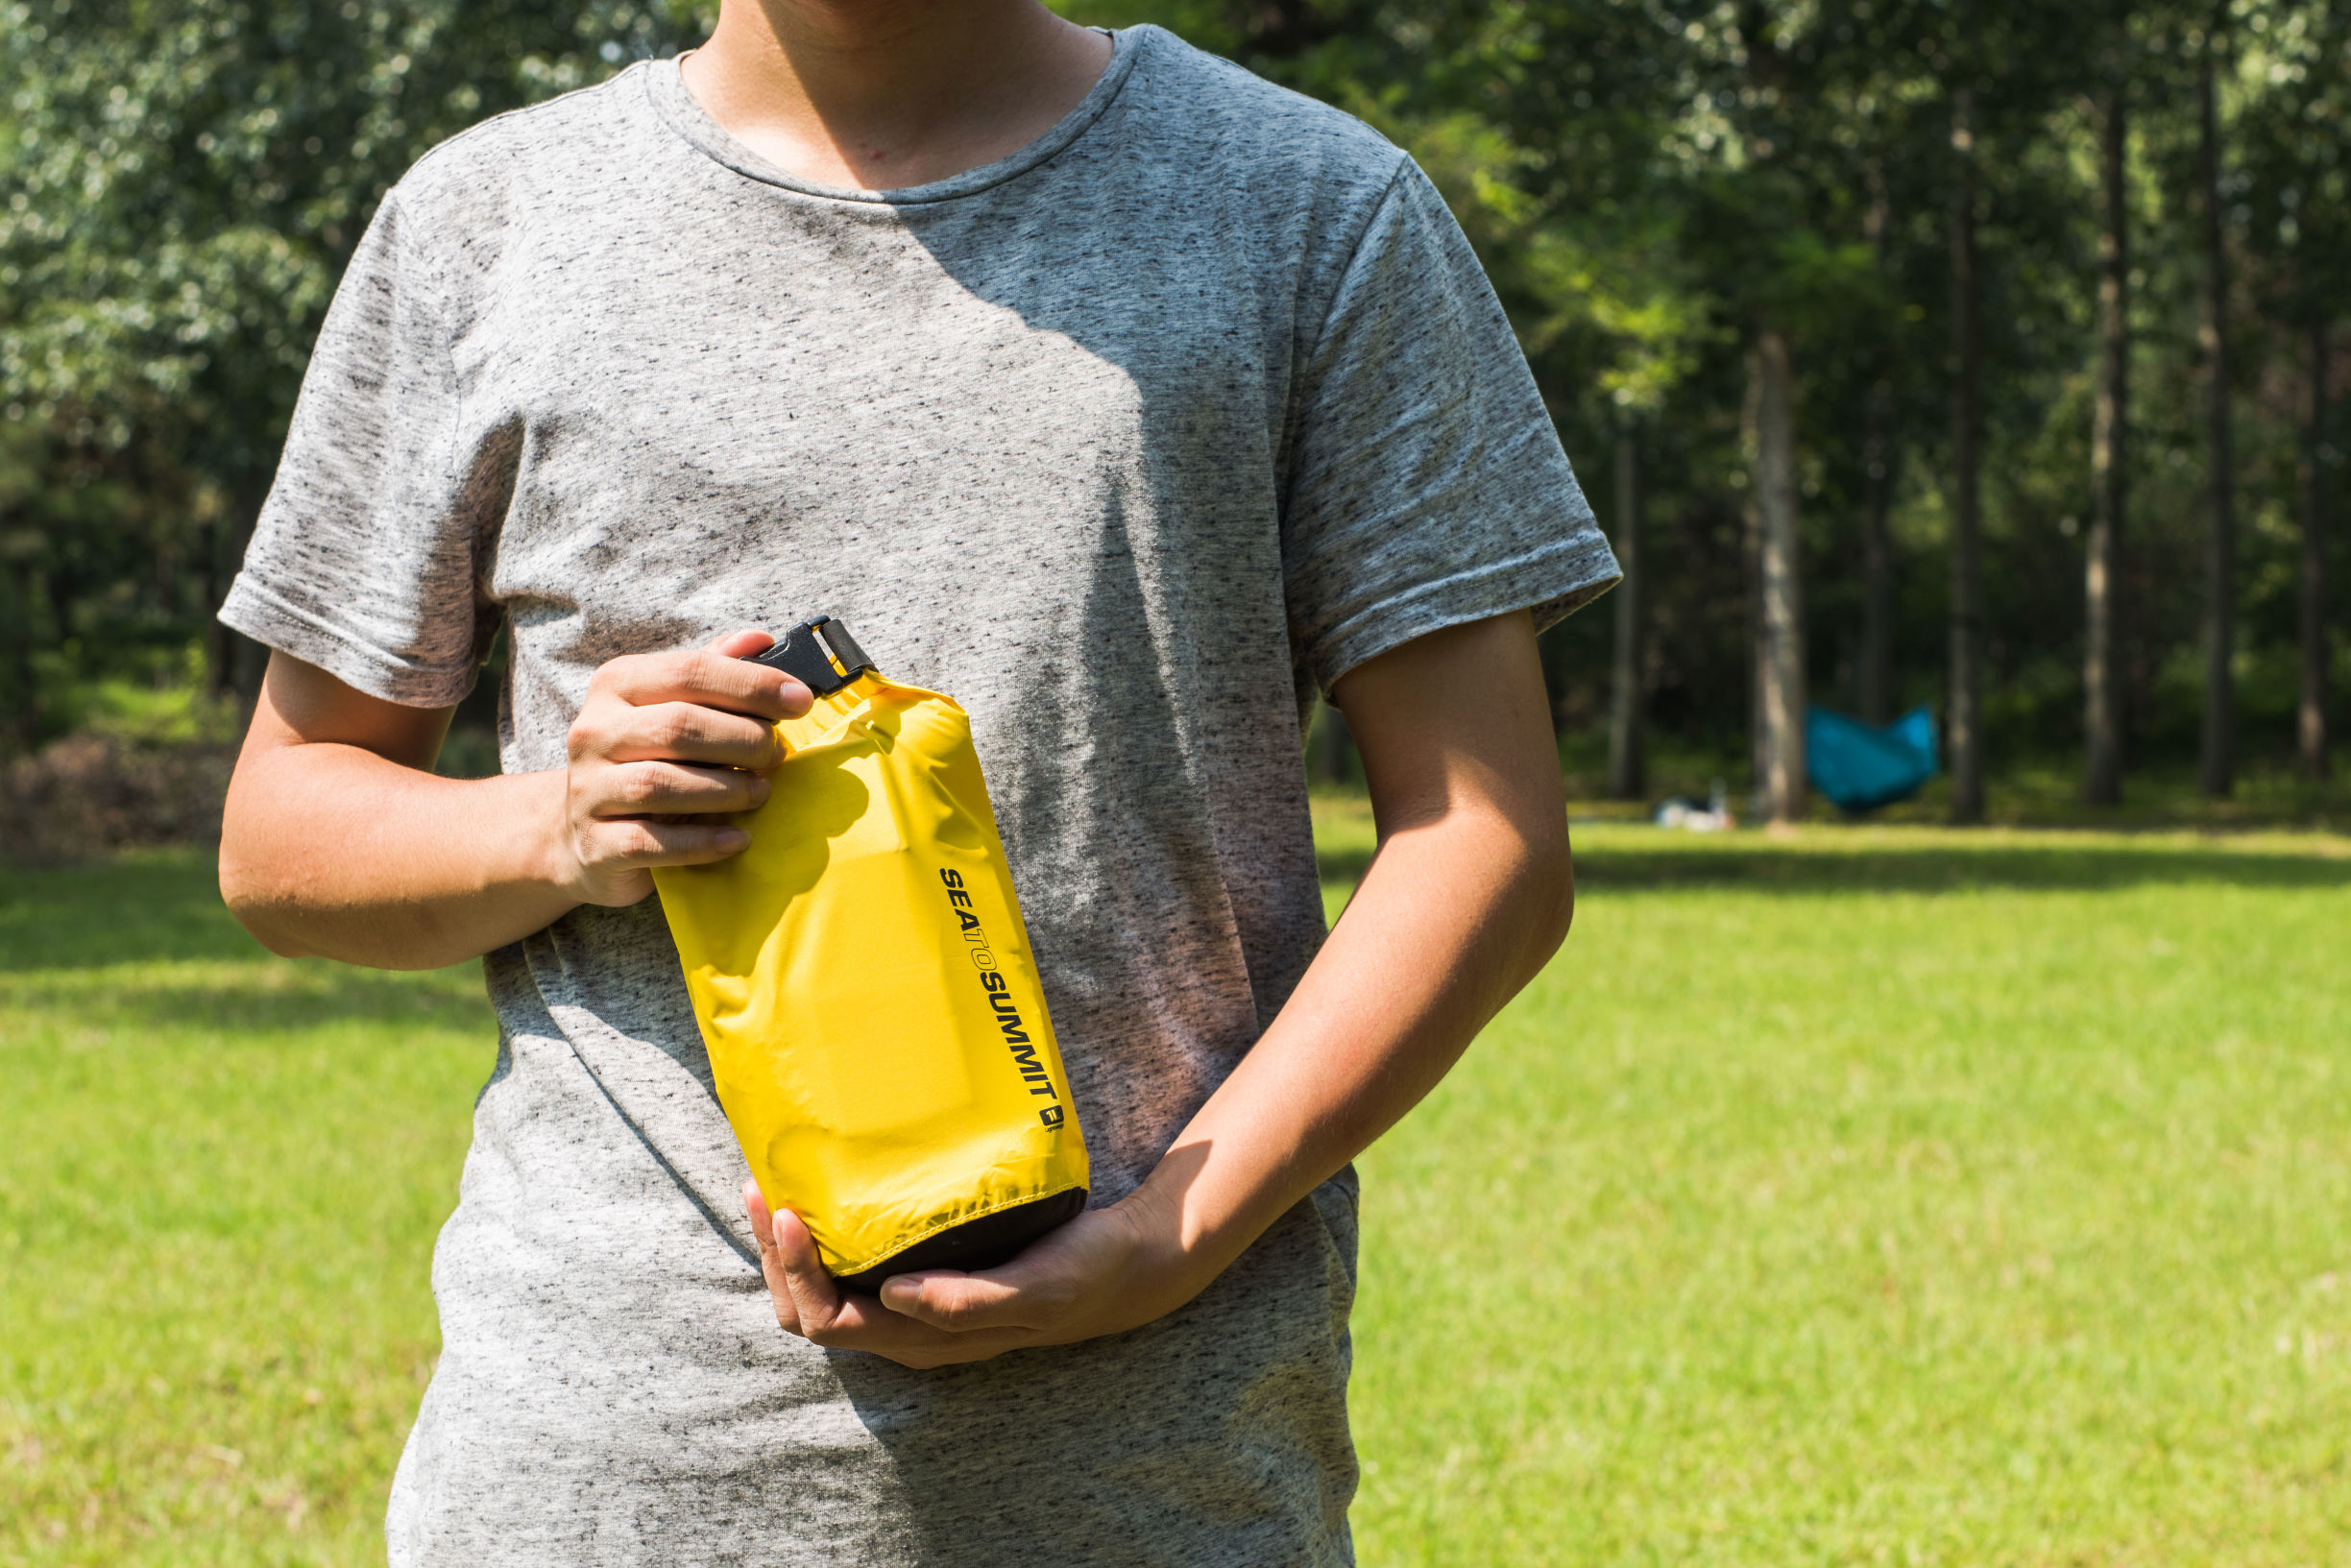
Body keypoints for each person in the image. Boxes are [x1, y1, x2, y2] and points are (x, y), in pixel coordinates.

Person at [215, 0, 1619, 1561]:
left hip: (1159, 1485)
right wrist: (559, 821)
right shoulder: (481, 225)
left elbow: (1486, 839)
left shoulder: (1311, 211)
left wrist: (1173, 1230)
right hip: (592, 1481)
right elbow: (284, 826)